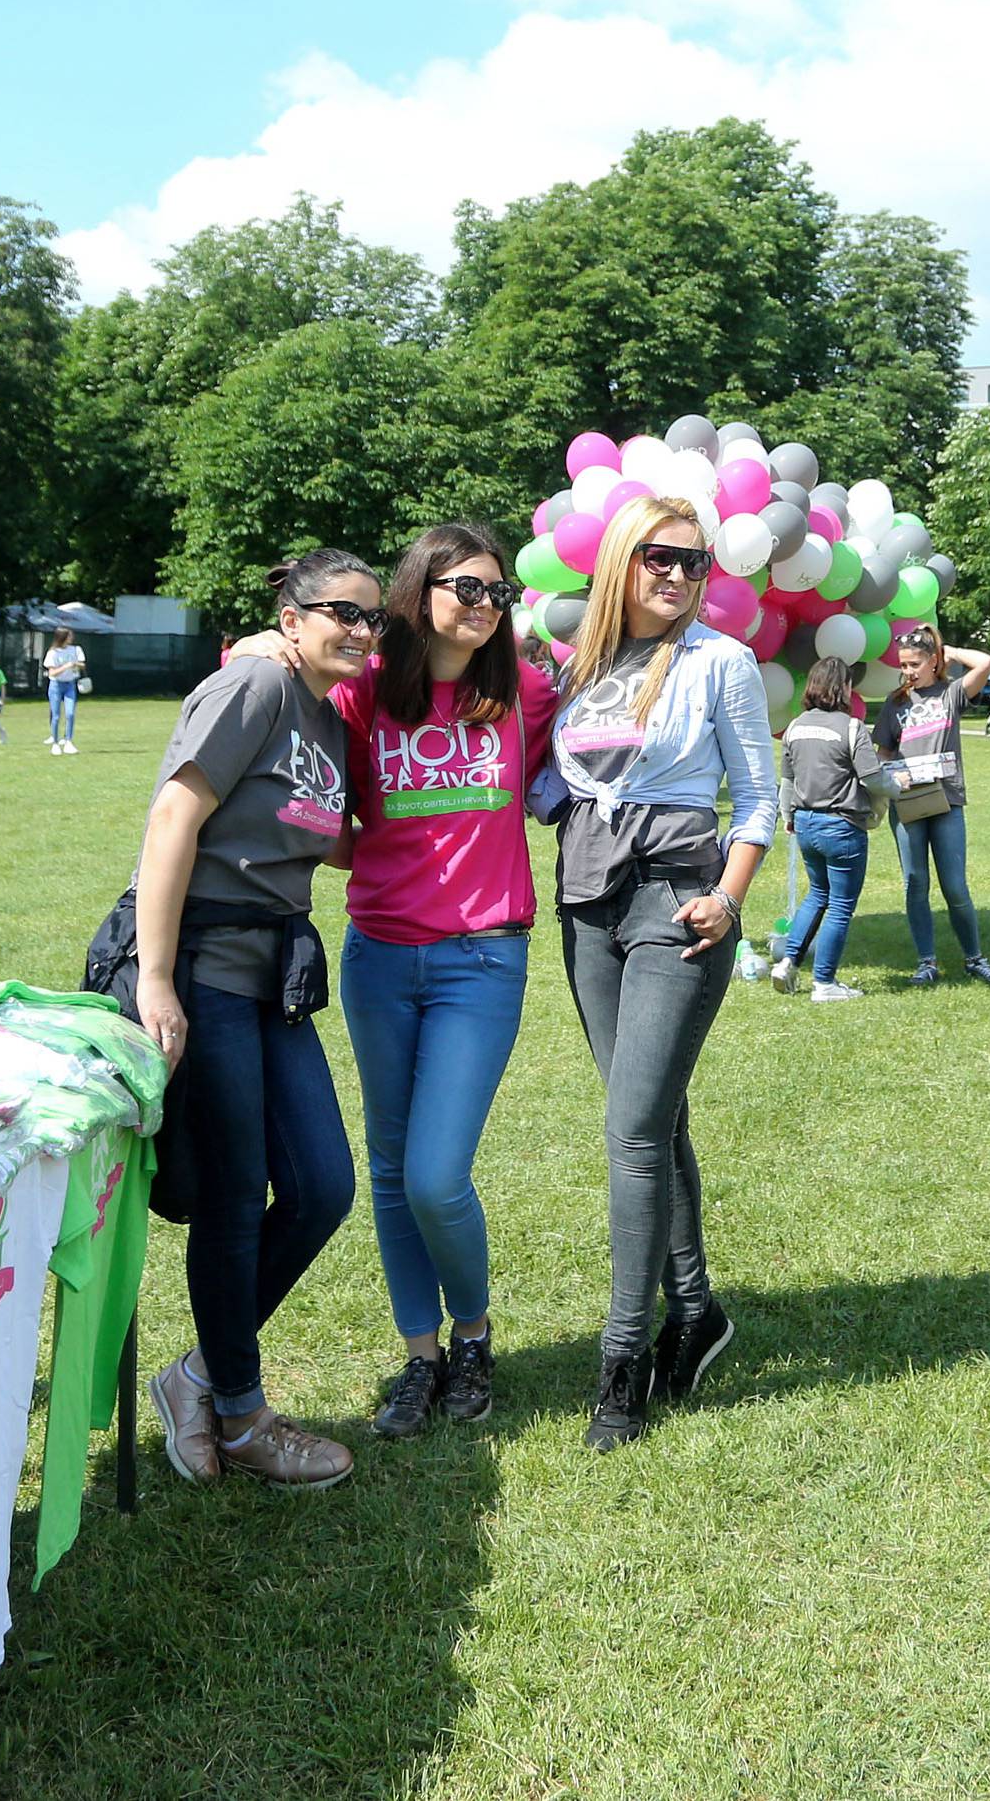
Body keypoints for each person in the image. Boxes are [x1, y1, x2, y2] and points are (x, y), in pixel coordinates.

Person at [235, 524, 556, 1435]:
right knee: (388, 1169)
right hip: (380, 954)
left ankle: (476, 1334)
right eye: (467, 587)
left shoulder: (523, 692)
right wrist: (263, 639)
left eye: (498, 591)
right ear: (421, 592)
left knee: (435, 1173)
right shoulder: (365, 691)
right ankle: (421, 1355)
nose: (485, 605)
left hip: (484, 956)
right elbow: (291, 708)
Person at [139, 552, 373, 1490]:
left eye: (372, 619)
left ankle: (195, 1373)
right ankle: (241, 1413)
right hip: (206, 965)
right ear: (290, 615)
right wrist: (157, 978)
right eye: (340, 614)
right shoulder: (253, 684)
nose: (359, 630)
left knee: (320, 1185)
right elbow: (172, 819)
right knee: (235, 1198)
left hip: (275, 971)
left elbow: (336, 841)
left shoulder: (323, 713)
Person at [549, 493, 777, 1451]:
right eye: (661, 558)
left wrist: (727, 898)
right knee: (655, 1116)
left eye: (696, 562)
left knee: (633, 1132)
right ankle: (698, 1310)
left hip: (679, 905)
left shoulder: (718, 661)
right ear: (620, 561)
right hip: (588, 904)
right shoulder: (583, 664)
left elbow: (761, 797)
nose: (680, 575)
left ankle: (622, 1361)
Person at [874, 626, 990, 988]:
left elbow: (986, 662)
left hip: (947, 799)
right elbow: (883, 751)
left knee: (955, 885)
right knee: (915, 882)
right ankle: (926, 962)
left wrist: (950, 649)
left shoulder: (950, 694)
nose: (908, 671)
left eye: (915, 663)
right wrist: (887, 776)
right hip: (908, 803)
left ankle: (974, 958)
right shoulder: (895, 703)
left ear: (934, 661)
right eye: (903, 665)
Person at [774, 658, 890, 1002]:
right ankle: (824, 983)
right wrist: (901, 785)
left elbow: (787, 783)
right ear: (844, 689)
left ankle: (788, 962)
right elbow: (873, 778)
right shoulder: (852, 728)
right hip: (841, 826)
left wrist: (788, 818)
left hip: (806, 823)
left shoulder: (794, 727)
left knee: (817, 894)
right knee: (840, 905)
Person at [44, 626, 86, 752]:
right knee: (56, 715)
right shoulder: (53, 653)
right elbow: (52, 673)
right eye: (69, 636)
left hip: (70, 685)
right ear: (62, 637)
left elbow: (82, 665)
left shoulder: (76, 649)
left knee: (70, 713)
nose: (71, 638)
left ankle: (68, 741)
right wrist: (66, 666)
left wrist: (75, 664)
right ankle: (55, 743)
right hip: (56, 686)